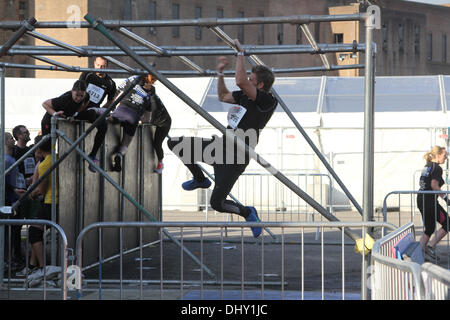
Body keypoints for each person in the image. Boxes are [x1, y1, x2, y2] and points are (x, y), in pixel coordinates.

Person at [167, 39, 278, 238]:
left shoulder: (267, 101)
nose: (247, 81)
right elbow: (223, 96)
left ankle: (247, 212)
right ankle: (200, 180)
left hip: (235, 157)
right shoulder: (244, 96)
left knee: (217, 203)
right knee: (175, 144)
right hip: (219, 146)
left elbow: (240, 81)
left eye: (251, 79)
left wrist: (240, 53)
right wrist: (219, 73)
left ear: (260, 85)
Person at [109, 74, 170, 173]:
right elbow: (147, 118)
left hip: (161, 121)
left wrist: (110, 106)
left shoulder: (133, 82)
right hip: (134, 116)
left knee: (114, 119)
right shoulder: (150, 95)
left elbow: (118, 92)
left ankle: (107, 117)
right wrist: (140, 120)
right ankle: (120, 154)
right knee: (128, 139)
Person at [23, 135, 57, 276]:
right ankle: (33, 265)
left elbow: (41, 190)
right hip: (54, 201)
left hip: (51, 201)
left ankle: (44, 269)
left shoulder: (44, 164)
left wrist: (29, 195)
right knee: (36, 231)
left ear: (39, 148)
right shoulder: (54, 157)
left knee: (33, 232)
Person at [79, 56, 117, 172]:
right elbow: (77, 89)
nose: (100, 68)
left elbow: (111, 101)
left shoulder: (110, 83)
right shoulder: (87, 75)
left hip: (93, 110)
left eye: (103, 66)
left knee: (103, 125)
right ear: (94, 64)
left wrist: (102, 109)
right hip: (80, 107)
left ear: (107, 67)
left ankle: (93, 155)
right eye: (98, 66)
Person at [417, 146, 450, 261]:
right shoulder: (437, 168)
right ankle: (429, 247)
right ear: (438, 155)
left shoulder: (428, 166)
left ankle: (419, 255)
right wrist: (446, 198)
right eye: (444, 155)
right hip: (428, 201)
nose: (446, 158)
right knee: (447, 223)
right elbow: (434, 185)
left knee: (430, 228)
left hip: (422, 199)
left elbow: (423, 182)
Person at [140, 74, 171, 174]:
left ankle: (161, 163)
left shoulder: (153, 102)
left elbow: (149, 119)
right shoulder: (147, 95)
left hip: (164, 123)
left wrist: (141, 120)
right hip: (158, 120)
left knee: (157, 143)